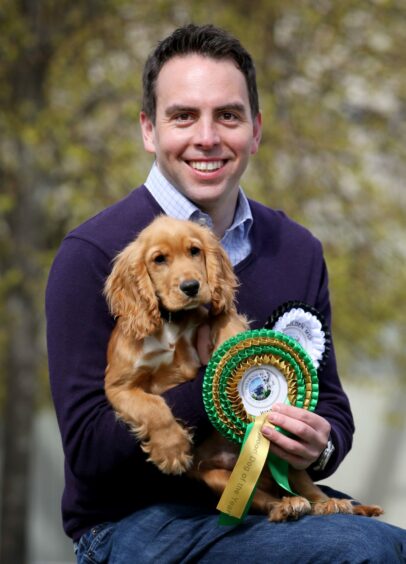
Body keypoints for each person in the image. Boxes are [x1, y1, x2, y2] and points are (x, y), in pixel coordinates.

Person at [46, 24, 406, 563]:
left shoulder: (298, 250)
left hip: (270, 494)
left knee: (389, 545)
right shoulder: (92, 254)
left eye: (229, 116)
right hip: (137, 522)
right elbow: (90, 451)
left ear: (256, 131)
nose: (208, 137)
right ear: (149, 129)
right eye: (183, 115)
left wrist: (320, 442)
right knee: (360, 551)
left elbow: (329, 400)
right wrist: (220, 377)